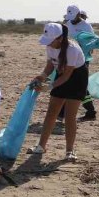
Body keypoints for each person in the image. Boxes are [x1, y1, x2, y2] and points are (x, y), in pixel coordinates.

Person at [27, 23, 88, 161]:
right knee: (51, 112)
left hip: (77, 78)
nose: (48, 44)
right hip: (61, 74)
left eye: (51, 41)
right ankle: (41, 146)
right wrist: (42, 76)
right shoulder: (50, 46)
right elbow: (50, 65)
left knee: (69, 116)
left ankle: (69, 151)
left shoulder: (72, 49)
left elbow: (67, 75)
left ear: (60, 38)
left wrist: (49, 87)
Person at [63, 6, 97, 121]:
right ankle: (63, 111)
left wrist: (82, 45)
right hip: (69, 57)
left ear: (78, 15)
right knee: (66, 82)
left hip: (83, 59)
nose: (71, 20)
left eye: (73, 17)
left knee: (80, 85)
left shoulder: (86, 26)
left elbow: (93, 41)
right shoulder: (68, 23)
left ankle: (90, 112)